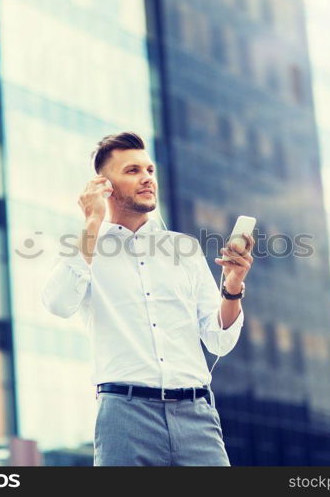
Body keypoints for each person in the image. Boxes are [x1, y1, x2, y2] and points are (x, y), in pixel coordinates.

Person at [41, 132, 254, 466]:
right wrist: (92, 221)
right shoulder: (84, 246)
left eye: (150, 170)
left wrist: (233, 285)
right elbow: (58, 303)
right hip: (125, 417)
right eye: (132, 171)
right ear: (104, 185)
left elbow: (219, 339)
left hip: (196, 415)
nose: (146, 179)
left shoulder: (184, 249)